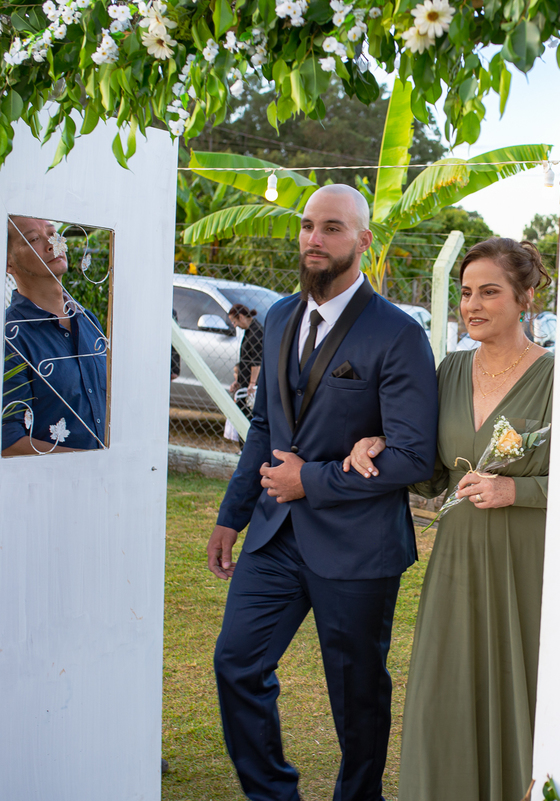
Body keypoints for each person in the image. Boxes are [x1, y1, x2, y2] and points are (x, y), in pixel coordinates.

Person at [207, 184, 438, 801]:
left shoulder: (398, 335)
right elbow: (263, 427)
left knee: (357, 696)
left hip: (358, 549)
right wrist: (232, 515)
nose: (314, 238)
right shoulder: (280, 316)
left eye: (332, 228)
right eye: (308, 226)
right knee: (237, 665)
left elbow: (413, 457)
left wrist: (309, 480)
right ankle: (272, 794)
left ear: (363, 241)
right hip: (274, 535)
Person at [344, 238, 554, 801]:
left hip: (526, 561)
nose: (472, 305)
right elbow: (429, 471)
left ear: (525, 298)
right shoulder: (449, 370)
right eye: (466, 293)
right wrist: (380, 443)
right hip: (458, 558)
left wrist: (521, 489)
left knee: (521, 688)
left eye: (490, 291)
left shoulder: (558, 377)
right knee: (448, 688)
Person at [2, 216, 108, 456]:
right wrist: (91, 464)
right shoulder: (11, 336)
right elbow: (8, 441)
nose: (51, 244)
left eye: (53, 234)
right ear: (8, 262)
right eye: (34, 239)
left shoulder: (87, 320)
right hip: (46, 487)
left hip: (105, 485)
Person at [227, 302, 264, 416]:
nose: (234, 325)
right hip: (245, 383)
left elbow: (256, 361)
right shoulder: (249, 331)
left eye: (234, 321)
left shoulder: (255, 332)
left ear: (241, 317)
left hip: (251, 386)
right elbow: (247, 358)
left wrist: (252, 383)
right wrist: (239, 380)